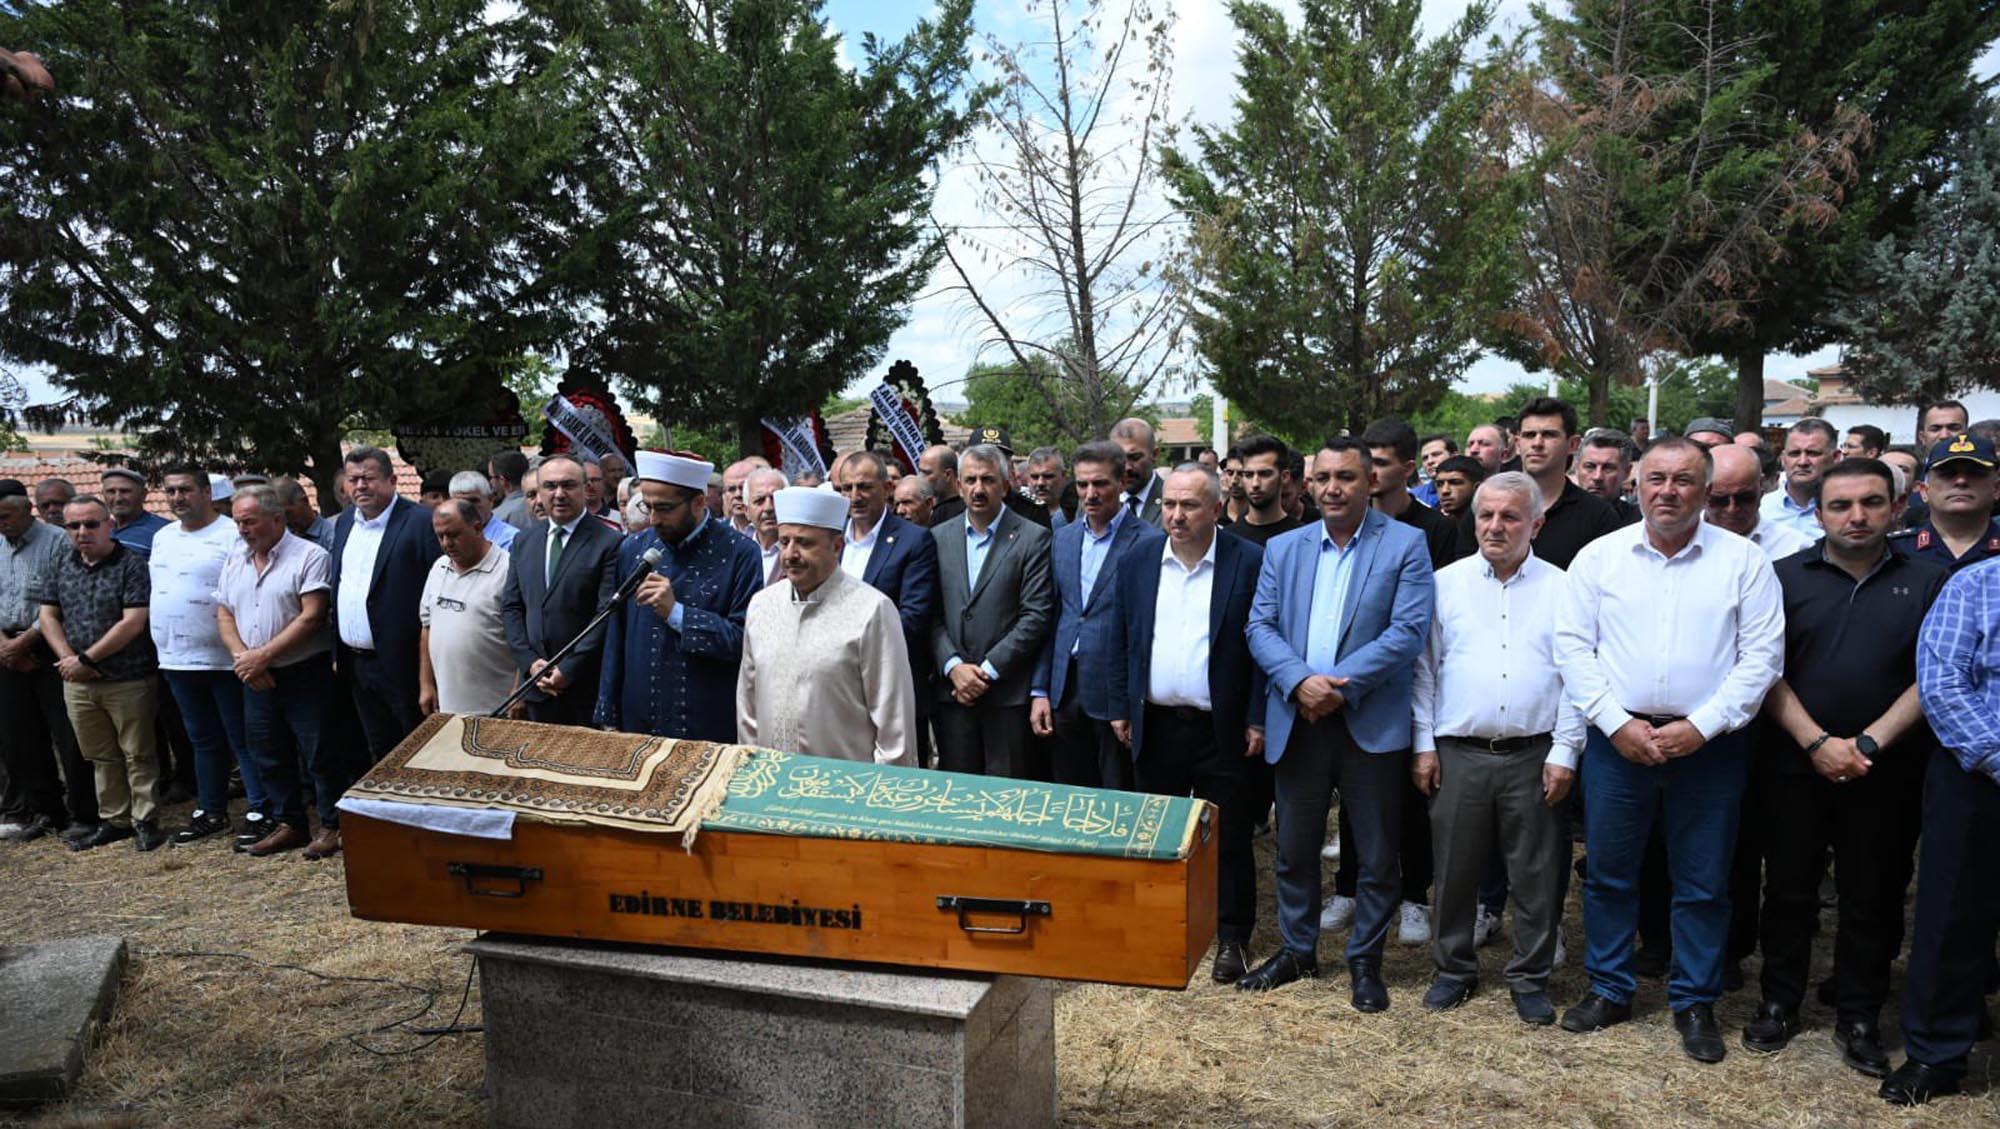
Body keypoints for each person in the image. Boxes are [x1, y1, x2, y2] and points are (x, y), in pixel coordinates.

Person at [1553, 437, 1784, 1063]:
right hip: (1616, 744)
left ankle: (1694, 1000)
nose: (1668, 491)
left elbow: (1762, 658)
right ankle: (1609, 988)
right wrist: (1615, 723)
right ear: (1636, 484)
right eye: (1656, 478)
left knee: (1704, 882)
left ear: (1706, 490)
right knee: (1608, 875)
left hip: (1709, 749)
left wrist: (1703, 726)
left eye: (1684, 480)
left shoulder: (1744, 562)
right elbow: (1572, 648)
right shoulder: (1600, 558)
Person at [1743, 459, 1947, 1076]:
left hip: (1886, 770)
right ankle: (1778, 1002)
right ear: (1819, 513)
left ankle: (1859, 1015)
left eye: (1871, 503)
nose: (1856, 516)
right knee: (1788, 891)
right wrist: (1816, 743)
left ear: (1897, 507)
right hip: (1794, 764)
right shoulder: (1781, 577)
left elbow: (1934, 673)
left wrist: (1869, 744)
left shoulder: (1931, 580)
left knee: (1873, 896)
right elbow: (1763, 669)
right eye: (1840, 505)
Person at [1239, 437, 1435, 1013]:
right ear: (1307, 483)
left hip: (1367, 722)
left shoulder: (1405, 544)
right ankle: (1298, 950)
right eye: (1322, 477)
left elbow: (1407, 632)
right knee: (1294, 850)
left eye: (1346, 477)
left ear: (1370, 482)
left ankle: (1365, 961)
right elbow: (1259, 626)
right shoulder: (1286, 548)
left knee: (1376, 855)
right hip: (1297, 719)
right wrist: (1300, 682)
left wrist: (1336, 689)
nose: (1332, 488)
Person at [1411, 472, 1581, 1024]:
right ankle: (1453, 970)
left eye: (1510, 516)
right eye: (1485, 515)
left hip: (1535, 752)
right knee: (1454, 870)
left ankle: (1529, 978)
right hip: (1458, 750)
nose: (1495, 526)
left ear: (1537, 524)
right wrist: (1423, 745)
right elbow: (1424, 670)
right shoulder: (1444, 584)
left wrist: (1565, 751)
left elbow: (1578, 677)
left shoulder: (1564, 588)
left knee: (1537, 874)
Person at [1108, 463, 1265, 983]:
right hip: (1155, 725)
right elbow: (1120, 637)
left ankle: (1232, 937)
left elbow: (1264, 646)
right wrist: (1121, 707)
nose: (1175, 515)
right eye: (1170, 504)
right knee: (1157, 835)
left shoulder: (1248, 562)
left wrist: (1257, 717)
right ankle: (1160, 928)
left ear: (1216, 509)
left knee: (1230, 837)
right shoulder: (1138, 560)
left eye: (1189, 505)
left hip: (1223, 729)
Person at [1882, 555, 2000, 1104]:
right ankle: (1936, 1054)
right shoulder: (1976, 585)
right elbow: (1944, 683)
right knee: (1953, 915)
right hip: (1977, 773)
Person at [738, 487, 914, 764]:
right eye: (784, 542)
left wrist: (884, 787)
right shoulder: (762, 606)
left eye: (804, 543)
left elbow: (894, 724)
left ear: (837, 546)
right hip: (772, 779)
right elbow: (748, 707)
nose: (791, 554)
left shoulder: (872, 610)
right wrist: (752, 770)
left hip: (846, 784)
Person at [596, 452, 761, 742]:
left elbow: (743, 641)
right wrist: (607, 713)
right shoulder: (633, 548)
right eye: (648, 506)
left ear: (698, 501)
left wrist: (677, 613)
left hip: (707, 722)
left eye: (665, 508)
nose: (654, 519)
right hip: (638, 724)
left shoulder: (741, 553)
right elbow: (616, 634)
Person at [216, 486, 341, 858]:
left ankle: (333, 825)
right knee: (267, 751)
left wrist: (263, 657)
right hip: (254, 675)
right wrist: (244, 659)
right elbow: (224, 613)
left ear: (276, 519)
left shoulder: (309, 556)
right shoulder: (235, 559)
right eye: (238, 522)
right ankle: (290, 823)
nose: (242, 530)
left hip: (304, 672)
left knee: (320, 752)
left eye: (249, 522)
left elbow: (312, 616)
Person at [32, 496, 163, 852]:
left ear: (109, 525)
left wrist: (87, 659)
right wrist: (68, 659)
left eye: (91, 524)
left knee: (138, 753)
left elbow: (133, 621)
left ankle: (145, 820)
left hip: (127, 677)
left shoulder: (132, 565)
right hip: (76, 679)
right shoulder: (60, 563)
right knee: (100, 755)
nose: (82, 532)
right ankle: (115, 819)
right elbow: (47, 615)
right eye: (73, 526)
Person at [1032, 442, 1158, 790]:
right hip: (1064, 690)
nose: (1090, 493)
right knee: (1070, 796)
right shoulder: (1063, 539)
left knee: (1117, 796)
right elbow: (1051, 617)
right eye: (1082, 484)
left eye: (1100, 483)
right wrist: (1040, 689)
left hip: (1114, 694)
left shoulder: (1150, 542)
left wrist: (1129, 703)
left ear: (1122, 482)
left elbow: (1145, 631)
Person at [928, 444, 1054, 778]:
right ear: (958, 486)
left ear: (1006, 485)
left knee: (1006, 796)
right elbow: (931, 613)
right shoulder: (937, 537)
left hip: (1006, 695)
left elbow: (1036, 615)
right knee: (956, 796)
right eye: (970, 480)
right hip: (953, 694)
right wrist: (953, 667)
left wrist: (985, 672)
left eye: (988, 480)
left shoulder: (1034, 538)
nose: (978, 489)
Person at [149, 468, 259, 846]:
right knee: (202, 740)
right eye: (170, 491)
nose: (177, 497)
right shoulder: (162, 537)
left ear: (207, 492)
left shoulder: (232, 534)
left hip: (226, 659)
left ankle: (260, 810)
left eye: (185, 489)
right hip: (177, 658)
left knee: (242, 740)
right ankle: (211, 810)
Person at [330, 446, 442, 762]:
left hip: (406, 665)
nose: (360, 486)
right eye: (353, 479)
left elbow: (438, 596)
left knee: (418, 752)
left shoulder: (421, 523)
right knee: (379, 752)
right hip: (356, 665)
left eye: (368, 478)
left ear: (392, 480)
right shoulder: (345, 523)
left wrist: (428, 674)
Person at [832, 451, 939, 766]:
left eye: (864, 487)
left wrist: (847, 646)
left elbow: (912, 619)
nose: (855, 496)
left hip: (891, 686)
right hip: (836, 690)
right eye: (847, 488)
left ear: (887, 488)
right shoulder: (830, 538)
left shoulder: (914, 541)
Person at [499, 455, 621, 726]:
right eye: (550, 486)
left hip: (585, 689)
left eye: (568, 485)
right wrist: (529, 663)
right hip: (537, 687)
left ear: (586, 488)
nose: (559, 494)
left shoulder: (609, 542)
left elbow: (606, 614)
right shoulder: (524, 541)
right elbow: (512, 607)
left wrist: (569, 668)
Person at [0, 493, 91, 844]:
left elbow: (62, 599)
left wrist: (24, 643)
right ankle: (46, 809)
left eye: (6, 515)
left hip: (51, 646)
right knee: (20, 736)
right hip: (7, 651)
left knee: (68, 735)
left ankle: (83, 811)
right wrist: (7, 647)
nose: (2, 523)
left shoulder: (57, 542)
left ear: (27, 510)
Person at [418, 501, 515, 716]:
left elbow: (525, 638)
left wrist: (519, 692)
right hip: (447, 708)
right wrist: (426, 684)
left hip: (498, 708)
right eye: (440, 536)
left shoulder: (508, 570)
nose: (447, 543)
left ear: (477, 528)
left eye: (453, 535)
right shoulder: (439, 568)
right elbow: (427, 627)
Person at [1510, 398, 1624, 569]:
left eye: (1549, 435)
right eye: (1529, 435)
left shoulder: (1599, 516)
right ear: (1518, 444)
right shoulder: (1488, 506)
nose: (1537, 443)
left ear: (1573, 444)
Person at [1892, 433, 2000, 572]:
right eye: (1947, 474)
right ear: (1924, 491)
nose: (1961, 481)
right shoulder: (1894, 550)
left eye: (1975, 473)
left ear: (1997, 489)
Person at [1364, 418, 1459, 568]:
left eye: (1381, 463)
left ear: (1408, 469)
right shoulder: (1351, 522)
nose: (1370, 471)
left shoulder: (1438, 529)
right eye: (1366, 462)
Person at [1709, 446, 1816, 559]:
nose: (1732, 509)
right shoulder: (1693, 536)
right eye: (1719, 500)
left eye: (1744, 498)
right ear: (1703, 493)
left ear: (1761, 488)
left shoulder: (1795, 548)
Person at [1226, 435, 1311, 547]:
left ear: (1284, 477)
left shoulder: (1304, 538)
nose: (1255, 483)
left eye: (1265, 474)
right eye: (1248, 475)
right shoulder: (1226, 538)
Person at [1761, 419, 1841, 539]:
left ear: (1836, 457)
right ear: (1783, 459)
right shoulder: (1761, 509)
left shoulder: (1849, 511)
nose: (1802, 462)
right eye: (1794, 454)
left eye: (1812, 453)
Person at [96, 467, 168, 558]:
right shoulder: (96, 529)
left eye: (125, 491)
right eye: (111, 492)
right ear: (102, 494)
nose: (118, 498)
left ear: (143, 494)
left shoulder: (164, 532)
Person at [1109, 418, 1167, 527]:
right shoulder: (1097, 501)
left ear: (1154, 454)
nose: (1127, 467)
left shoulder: (1172, 501)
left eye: (1135, 457)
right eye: (1118, 458)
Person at [1575, 429, 1640, 525]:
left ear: (1627, 472)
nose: (1597, 477)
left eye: (1608, 468)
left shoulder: (1640, 522)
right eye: (1590, 467)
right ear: (1576, 468)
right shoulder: (1556, 517)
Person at [449, 470, 517, 551]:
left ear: (490, 500)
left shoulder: (511, 539)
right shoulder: (448, 537)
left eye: (473, 501)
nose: (467, 508)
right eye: (461, 503)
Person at [743, 467, 787, 586]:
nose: (768, 508)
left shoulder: (801, 550)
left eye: (775, 499)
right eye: (759, 500)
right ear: (746, 511)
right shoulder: (736, 551)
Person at [275, 477, 335, 552]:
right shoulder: (282, 538)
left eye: (288, 513)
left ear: (305, 501)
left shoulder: (331, 535)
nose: (286, 521)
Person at [1023, 447, 1070, 527]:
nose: (1040, 483)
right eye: (1035, 477)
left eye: (1048, 476)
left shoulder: (1077, 516)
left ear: (1063, 476)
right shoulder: (1018, 515)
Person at [489, 450, 533, 531]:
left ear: (502, 481)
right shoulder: (543, 505)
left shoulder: (498, 517)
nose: (490, 482)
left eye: (491, 477)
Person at [1414, 435, 1456, 507]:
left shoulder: (1472, 491)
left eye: (1436, 455)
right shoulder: (1415, 497)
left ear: (1454, 456)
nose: (1429, 461)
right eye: (1425, 458)